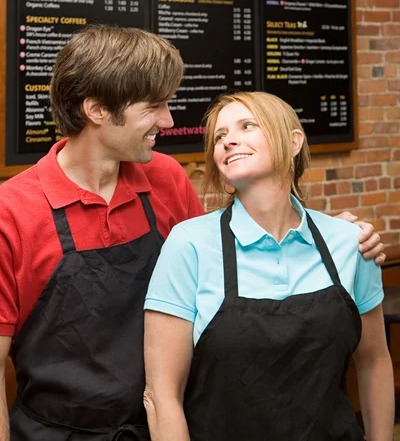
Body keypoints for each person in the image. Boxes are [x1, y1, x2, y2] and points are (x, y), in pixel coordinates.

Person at [0, 26, 384, 441]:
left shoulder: (166, 179)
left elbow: (219, 261)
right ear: (96, 110)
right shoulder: (12, 211)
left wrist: (331, 235)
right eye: (154, 106)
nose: (167, 120)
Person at [143, 91, 394, 441]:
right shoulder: (188, 245)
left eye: (247, 126)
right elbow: (161, 395)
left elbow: (374, 361)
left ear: (293, 142)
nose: (229, 140)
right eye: (219, 136)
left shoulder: (350, 242)